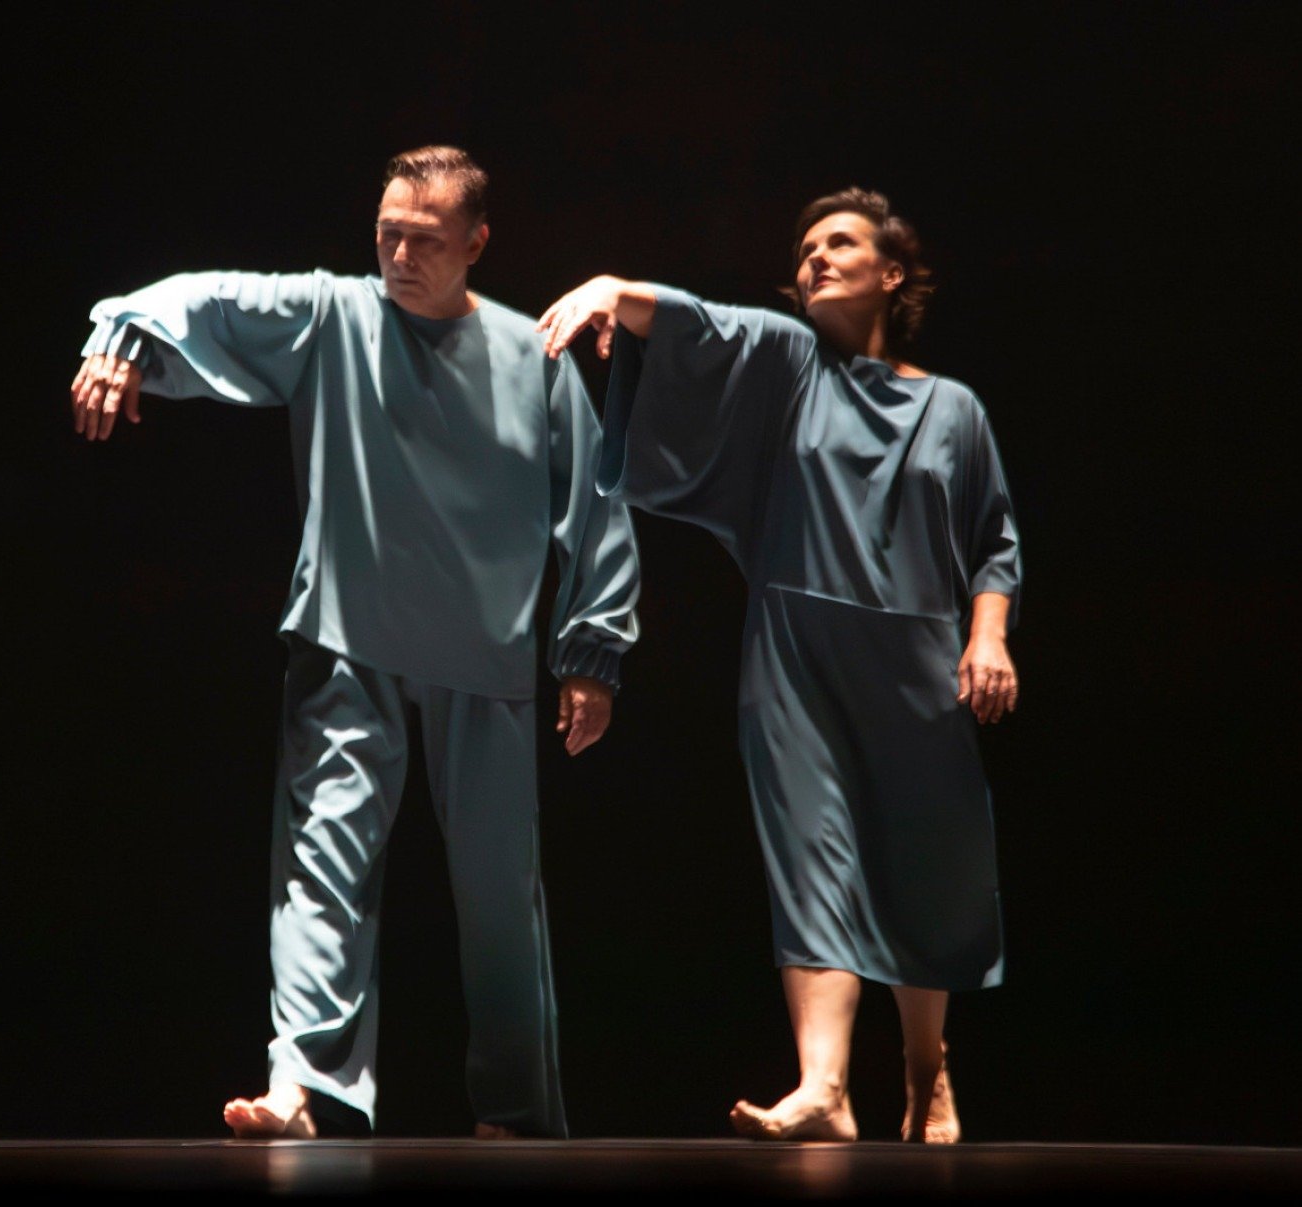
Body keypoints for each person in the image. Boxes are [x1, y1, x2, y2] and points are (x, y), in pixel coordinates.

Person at [70, 146, 640, 1139]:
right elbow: (208, 299)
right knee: (320, 865)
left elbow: (595, 501)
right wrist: (120, 337)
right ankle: (304, 1086)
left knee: (502, 893)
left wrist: (592, 652)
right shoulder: (336, 313)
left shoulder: (529, 351)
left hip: (486, 645)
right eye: (388, 234)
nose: (401, 254)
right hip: (349, 633)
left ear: (476, 243)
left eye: (424, 239)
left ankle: (516, 1107)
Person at [539, 188, 1020, 1143]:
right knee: (814, 857)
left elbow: (992, 540)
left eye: (838, 243)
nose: (813, 258)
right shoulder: (791, 363)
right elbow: (702, 325)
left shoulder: (953, 407)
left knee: (922, 862)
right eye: (803, 248)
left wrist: (988, 634)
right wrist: (609, 288)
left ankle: (928, 1070)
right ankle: (826, 1087)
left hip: (918, 656)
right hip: (794, 650)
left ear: (891, 273)